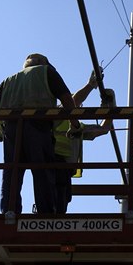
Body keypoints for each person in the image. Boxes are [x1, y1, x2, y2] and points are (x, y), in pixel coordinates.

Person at [0, 53, 80, 216]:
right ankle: (46, 212)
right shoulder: (47, 72)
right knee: (42, 170)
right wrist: (75, 125)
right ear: (44, 63)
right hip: (38, 125)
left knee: (12, 171)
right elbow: (67, 100)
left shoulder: (9, 80)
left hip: (11, 129)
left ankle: (9, 210)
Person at [53, 70, 114, 214]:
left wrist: (110, 108)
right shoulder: (57, 114)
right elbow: (73, 103)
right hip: (52, 161)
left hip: (65, 168)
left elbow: (103, 129)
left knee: (63, 199)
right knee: (54, 198)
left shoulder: (78, 128)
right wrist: (90, 85)